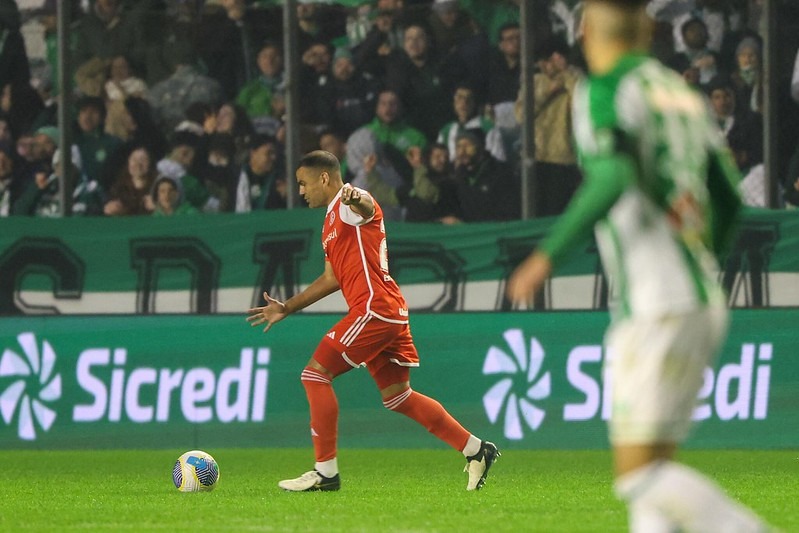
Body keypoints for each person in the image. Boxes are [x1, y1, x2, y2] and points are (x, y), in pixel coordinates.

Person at [506, 1, 770, 532]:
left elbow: (611, 177)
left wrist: (545, 255)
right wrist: (697, 262)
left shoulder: (601, 90)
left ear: (582, 30)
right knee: (654, 482)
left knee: (638, 477)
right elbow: (732, 201)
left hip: (656, 304)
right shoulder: (682, 94)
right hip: (696, 298)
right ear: (649, 29)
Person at [246, 150, 499, 492]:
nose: (301, 191)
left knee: (314, 375)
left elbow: (365, 206)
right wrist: (288, 307)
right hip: (387, 309)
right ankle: (476, 450)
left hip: (374, 309)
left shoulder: (350, 205)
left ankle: (326, 472)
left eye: (304, 183)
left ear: (325, 178)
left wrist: (357, 197)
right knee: (398, 396)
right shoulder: (329, 222)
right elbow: (331, 279)